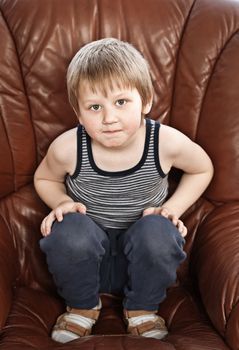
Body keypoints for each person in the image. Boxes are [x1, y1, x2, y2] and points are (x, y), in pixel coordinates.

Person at [34, 38, 214, 343]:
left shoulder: (165, 142)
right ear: (78, 113)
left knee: (158, 229)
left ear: (144, 101)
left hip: (144, 259)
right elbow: (45, 179)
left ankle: (142, 309)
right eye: (94, 107)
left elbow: (202, 167)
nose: (109, 118)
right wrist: (62, 201)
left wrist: (172, 209)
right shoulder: (68, 148)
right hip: (87, 257)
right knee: (68, 229)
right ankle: (82, 307)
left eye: (121, 102)